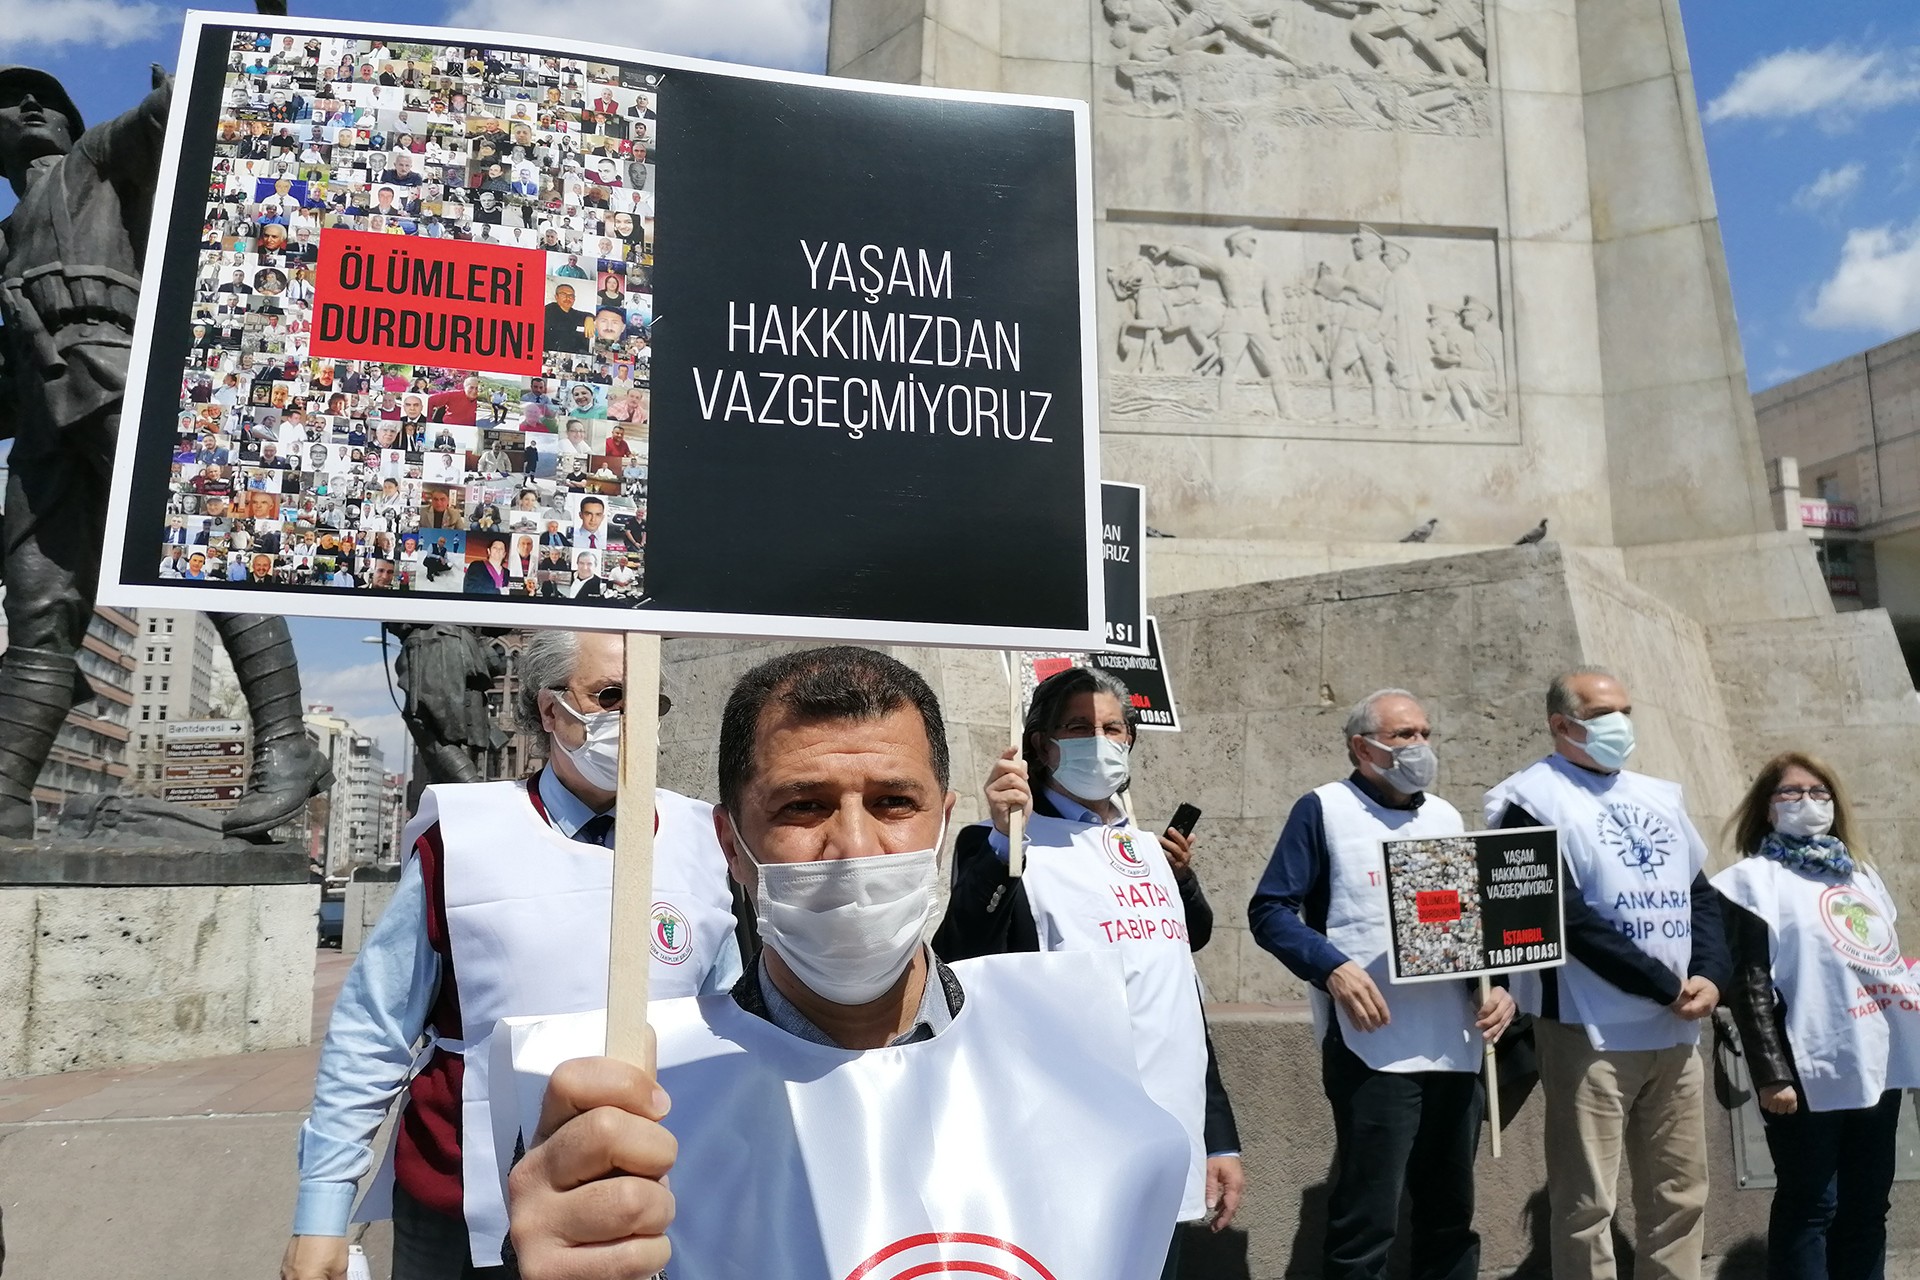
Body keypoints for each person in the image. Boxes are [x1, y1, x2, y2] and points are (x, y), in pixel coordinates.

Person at [504, 647, 1191, 1278]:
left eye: (895, 802)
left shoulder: (1073, 1058)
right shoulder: (630, 1119)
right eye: (804, 806)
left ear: (943, 823)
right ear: (732, 845)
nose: (855, 847)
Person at [282, 631, 746, 1280]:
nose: (631, 721)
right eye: (610, 696)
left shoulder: (704, 839)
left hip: (647, 1200)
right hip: (463, 1211)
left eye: (649, 702)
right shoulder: (462, 838)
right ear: (552, 711)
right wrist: (322, 1213)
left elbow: (727, 1031)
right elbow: (373, 1031)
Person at [934, 665, 1243, 1275]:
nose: (1099, 740)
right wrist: (1002, 841)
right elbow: (960, 955)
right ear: (1041, 746)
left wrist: (1218, 1134)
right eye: (1077, 727)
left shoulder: (1150, 850)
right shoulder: (1001, 844)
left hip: (1168, 1137)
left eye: (1112, 727)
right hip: (1067, 1143)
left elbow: (1178, 1001)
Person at [1248, 688, 1514, 1280]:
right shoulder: (1322, 809)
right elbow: (1270, 912)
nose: (1418, 746)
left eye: (1423, 733)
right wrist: (1332, 967)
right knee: (1367, 1221)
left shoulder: (1445, 817)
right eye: (1402, 736)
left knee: (1450, 1219)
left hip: (1455, 1045)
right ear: (1360, 746)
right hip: (1373, 1047)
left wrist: (1495, 988)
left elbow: (1463, 926)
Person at [1484, 667, 1730, 1280]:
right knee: (1587, 1202)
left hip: (1676, 1031)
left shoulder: (1657, 794)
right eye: (1603, 714)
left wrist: (1710, 975)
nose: (1621, 724)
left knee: (1680, 1195)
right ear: (1561, 725)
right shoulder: (1527, 800)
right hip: (1586, 1031)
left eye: (1625, 709)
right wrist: (1664, 985)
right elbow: (1561, 913)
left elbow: (1700, 893)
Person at [1714, 753, 1917, 1280]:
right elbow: (1748, 982)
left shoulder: (1861, 876)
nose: (1808, 802)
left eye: (1819, 791)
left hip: (1876, 1063)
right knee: (1812, 1206)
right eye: (1791, 793)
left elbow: (1884, 962)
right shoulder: (1750, 882)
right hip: (1805, 1069)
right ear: (1766, 806)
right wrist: (1770, 1074)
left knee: (1868, 1205)